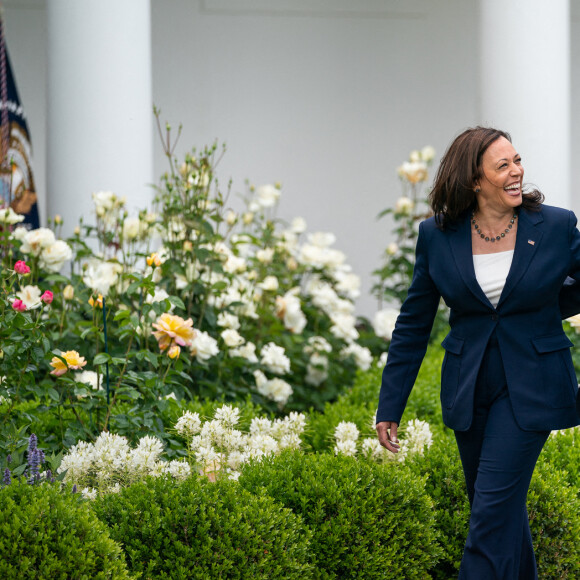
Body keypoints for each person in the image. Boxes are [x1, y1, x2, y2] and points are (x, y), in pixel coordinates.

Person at [375, 126, 580, 580]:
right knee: (498, 513)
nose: (516, 172)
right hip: (469, 388)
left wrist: (544, 310)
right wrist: (390, 405)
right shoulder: (437, 235)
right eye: (502, 165)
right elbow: (413, 323)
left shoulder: (556, 224)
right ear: (473, 180)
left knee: (489, 516)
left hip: (532, 386)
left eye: (518, 161)